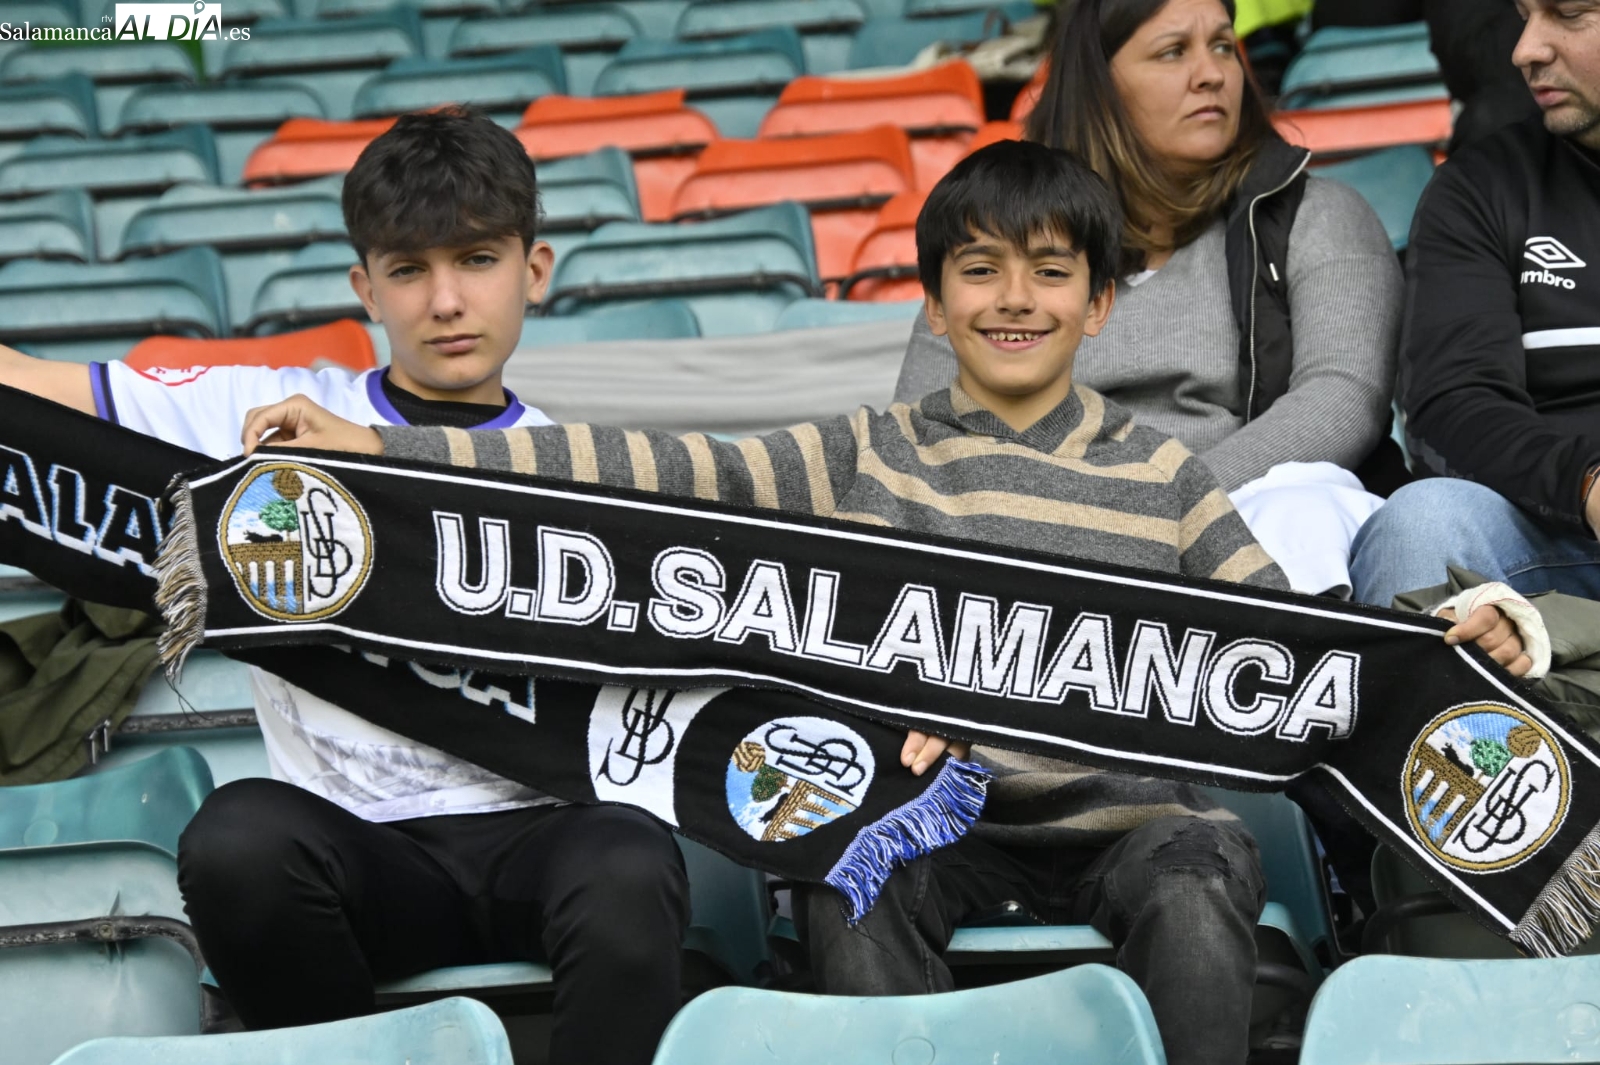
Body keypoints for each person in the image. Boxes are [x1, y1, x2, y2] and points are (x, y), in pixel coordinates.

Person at [234, 139, 1532, 1065]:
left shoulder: (1170, 481)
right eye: (979, 271)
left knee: (1205, 876)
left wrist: (1442, 640)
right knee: (844, 871)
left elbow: (1298, 651)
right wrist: (380, 452)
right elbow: (630, 471)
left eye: (1047, 273)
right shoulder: (860, 455)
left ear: (1100, 304)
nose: (1013, 299)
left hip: (1136, 823)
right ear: (935, 302)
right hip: (924, 816)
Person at [0, 108, 689, 1065]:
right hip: (363, 859)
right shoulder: (260, 416)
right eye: (409, 270)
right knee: (237, 836)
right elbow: (29, 389)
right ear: (366, 287)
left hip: (551, 839)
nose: (446, 300)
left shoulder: (582, 464)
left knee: (632, 855)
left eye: (477, 260)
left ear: (535, 269)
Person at [896, 0, 1403, 599]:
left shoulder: (1313, 216)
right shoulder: (993, 250)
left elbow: (1342, 398)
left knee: (1303, 508)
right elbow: (919, 440)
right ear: (1098, 86)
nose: (1211, 73)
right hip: (1034, 542)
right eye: (1172, 52)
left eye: (1223, 46)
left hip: (1244, 512)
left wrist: (1153, 502)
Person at [1348, 0, 1600, 612]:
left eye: (1568, 13)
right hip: (1561, 538)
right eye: (1524, 13)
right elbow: (1451, 407)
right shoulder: (1481, 187)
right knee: (1422, 521)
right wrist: (1586, 482)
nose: (1525, 50)